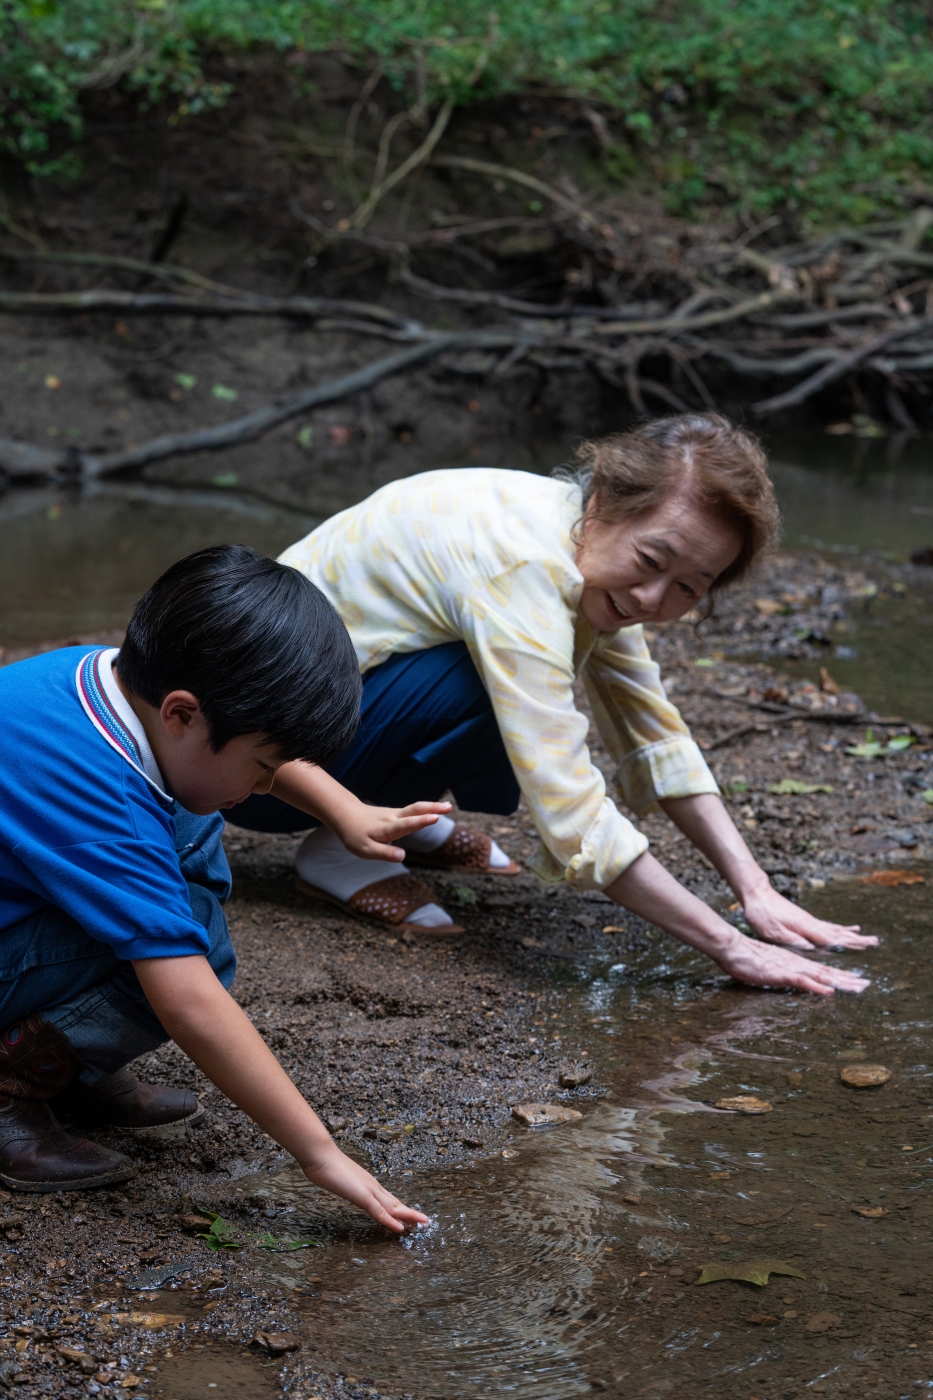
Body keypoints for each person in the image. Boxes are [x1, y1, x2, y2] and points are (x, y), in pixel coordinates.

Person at [227, 414, 876, 995]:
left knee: (517, 669)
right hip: (253, 768)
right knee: (493, 684)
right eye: (651, 560)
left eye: (687, 587)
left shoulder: (581, 549)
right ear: (601, 504)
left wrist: (754, 889)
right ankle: (344, 846)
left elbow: (652, 735)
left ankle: (397, 806)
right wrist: (732, 948)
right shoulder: (526, 571)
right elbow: (570, 808)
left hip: (322, 717)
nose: (653, 598)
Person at [0, 544, 436, 1229]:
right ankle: (13, 1083)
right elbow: (191, 1004)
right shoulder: (96, 797)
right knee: (193, 942)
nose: (266, 786)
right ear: (180, 714)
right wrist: (319, 1155)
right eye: (262, 769)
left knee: (189, 829)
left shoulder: (100, 680)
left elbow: (246, 737)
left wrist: (344, 810)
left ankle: (68, 1066)